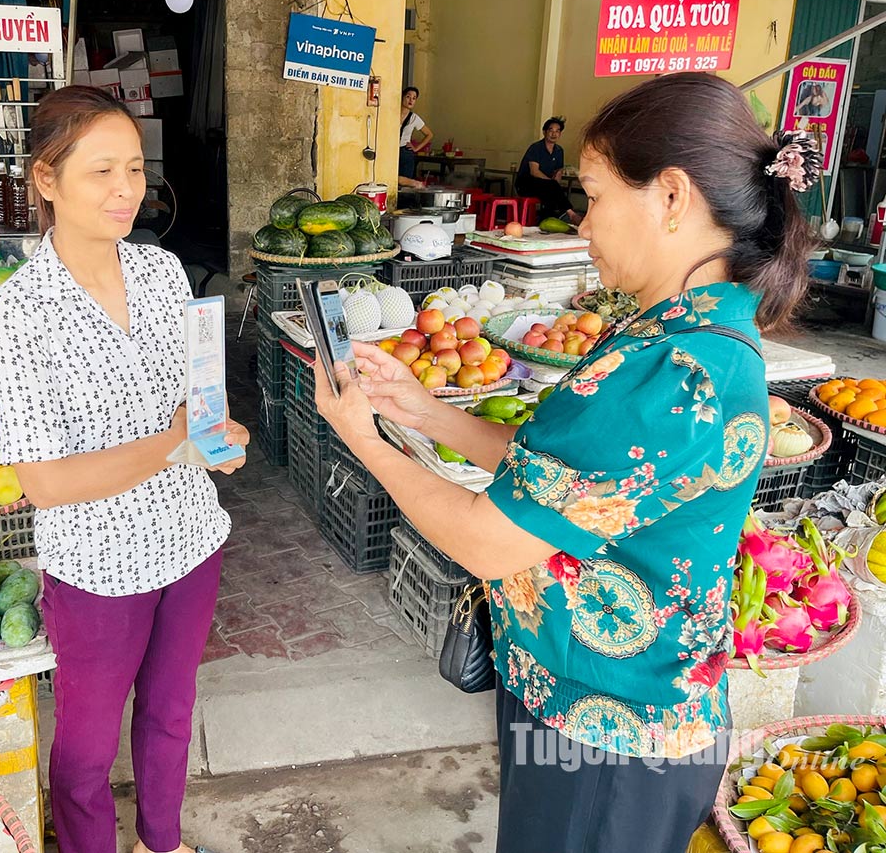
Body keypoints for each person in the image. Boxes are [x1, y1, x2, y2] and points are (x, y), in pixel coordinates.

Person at [313, 73, 818, 853]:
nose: (582, 223)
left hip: (609, 740)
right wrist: (425, 413)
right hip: (600, 715)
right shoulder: (682, 335)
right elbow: (573, 479)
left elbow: (487, 538)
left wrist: (364, 442)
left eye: (596, 196)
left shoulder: (676, 371)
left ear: (673, 197)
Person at [0, 85, 249, 853]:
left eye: (134, 168)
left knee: (171, 712)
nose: (126, 189)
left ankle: (160, 843)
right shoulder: (20, 312)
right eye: (101, 170)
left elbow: (195, 409)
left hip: (192, 539)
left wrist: (215, 436)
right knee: (86, 752)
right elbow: (46, 482)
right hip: (97, 565)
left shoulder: (164, 274)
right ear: (46, 180)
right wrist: (173, 441)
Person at [516, 116, 581, 224]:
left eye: (557, 131)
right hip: (526, 183)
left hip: (545, 186)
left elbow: (558, 173)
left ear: (560, 134)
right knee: (551, 187)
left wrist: (555, 185)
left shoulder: (559, 151)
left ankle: (545, 222)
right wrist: (552, 184)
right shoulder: (536, 148)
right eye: (551, 130)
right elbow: (534, 171)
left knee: (551, 192)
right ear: (544, 132)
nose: (554, 134)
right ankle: (570, 213)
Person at [399, 86, 434, 189]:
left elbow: (429, 134)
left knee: (403, 184)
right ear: (402, 97)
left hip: (405, 153)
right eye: (408, 97)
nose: (411, 100)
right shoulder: (392, 113)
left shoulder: (414, 118)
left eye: (414, 98)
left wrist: (416, 148)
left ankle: (416, 184)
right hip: (391, 151)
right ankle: (417, 184)